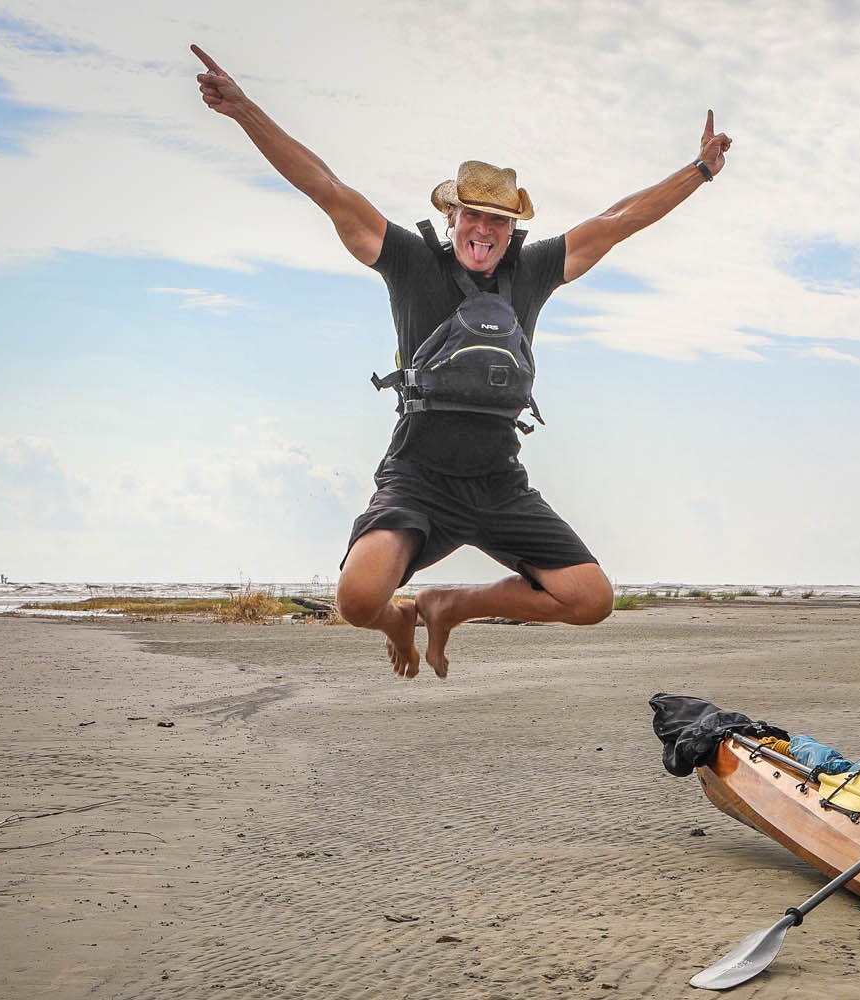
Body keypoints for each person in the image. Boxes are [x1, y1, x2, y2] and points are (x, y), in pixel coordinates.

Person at [191, 44, 730, 679]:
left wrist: (699, 170)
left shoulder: (533, 270)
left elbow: (615, 222)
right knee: (358, 599)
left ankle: (450, 604)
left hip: (499, 482)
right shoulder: (408, 260)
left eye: (497, 218)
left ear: (510, 226)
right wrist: (245, 111)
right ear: (451, 216)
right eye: (471, 213)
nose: (484, 228)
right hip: (417, 477)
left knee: (592, 600)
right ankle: (401, 618)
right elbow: (327, 188)